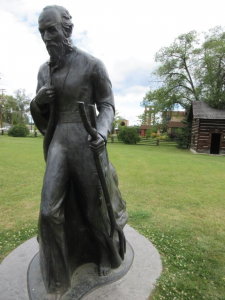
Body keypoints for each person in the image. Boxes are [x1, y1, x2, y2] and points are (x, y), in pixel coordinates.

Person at [30, 5, 128, 300]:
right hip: (59, 140)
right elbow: (40, 113)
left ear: (67, 30)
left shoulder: (92, 64)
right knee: (49, 211)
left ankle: (105, 254)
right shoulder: (43, 70)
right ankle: (59, 277)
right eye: (42, 31)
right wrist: (38, 100)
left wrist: (101, 131)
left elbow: (107, 105)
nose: (46, 37)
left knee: (94, 207)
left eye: (51, 30)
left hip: (86, 141)